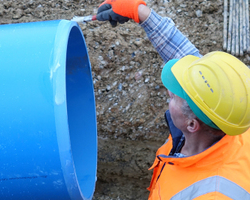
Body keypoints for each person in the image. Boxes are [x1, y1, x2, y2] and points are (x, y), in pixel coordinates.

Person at [96, 0, 250, 199]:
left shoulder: (214, 193)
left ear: (192, 124)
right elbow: (196, 70)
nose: (169, 92)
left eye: (176, 96)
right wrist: (141, 13)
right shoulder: (230, 113)